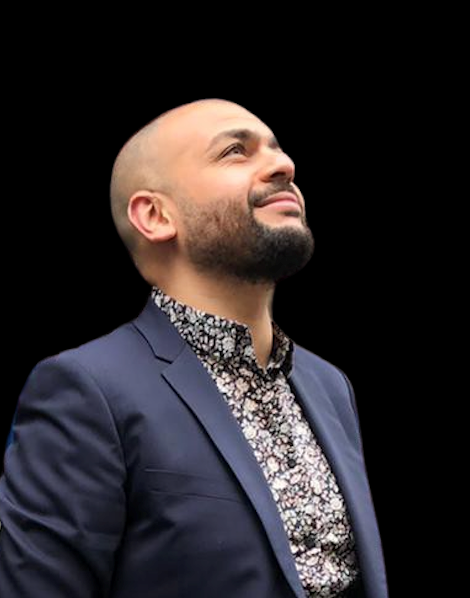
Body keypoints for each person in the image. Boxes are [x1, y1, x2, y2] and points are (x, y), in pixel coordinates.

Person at [0, 99, 388, 598]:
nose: (284, 164)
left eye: (277, 148)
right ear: (155, 215)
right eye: (234, 151)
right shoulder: (88, 390)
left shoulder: (330, 385)